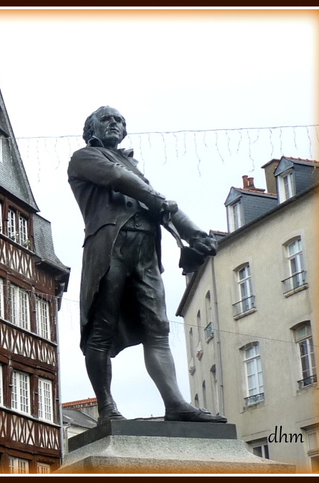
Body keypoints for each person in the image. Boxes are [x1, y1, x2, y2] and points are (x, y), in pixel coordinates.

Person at [68, 106, 227, 424]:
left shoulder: (133, 166)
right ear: (92, 130)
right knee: (101, 330)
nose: (115, 123)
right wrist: (157, 201)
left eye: (120, 120)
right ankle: (106, 407)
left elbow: (161, 204)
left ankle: (175, 403)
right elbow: (120, 180)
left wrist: (195, 235)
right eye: (107, 119)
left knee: (159, 329)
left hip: (146, 251)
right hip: (109, 247)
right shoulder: (84, 158)